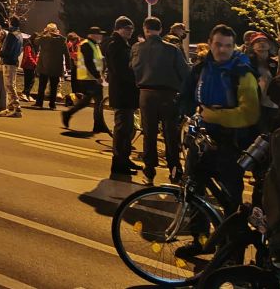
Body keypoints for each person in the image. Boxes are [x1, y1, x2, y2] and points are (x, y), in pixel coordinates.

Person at [176, 24, 260, 259]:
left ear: (234, 47)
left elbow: (249, 115)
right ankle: (202, 241)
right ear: (210, 44)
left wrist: (212, 115)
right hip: (201, 141)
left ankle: (232, 255)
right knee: (194, 191)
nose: (222, 50)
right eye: (218, 44)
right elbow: (186, 97)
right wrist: (181, 116)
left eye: (227, 46)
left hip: (230, 146)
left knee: (231, 202)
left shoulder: (242, 72)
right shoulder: (201, 69)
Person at [130, 17, 190, 185]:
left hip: (146, 94)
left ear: (144, 29)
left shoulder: (137, 48)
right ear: (161, 30)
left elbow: (133, 68)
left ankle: (149, 171)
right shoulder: (172, 49)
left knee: (149, 133)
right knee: (170, 133)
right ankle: (175, 169)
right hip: (168, 95)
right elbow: (185, 72)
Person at [106, 16, 140, 176]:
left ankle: (124, 158)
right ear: (118, 29)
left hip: (126, 92)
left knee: (127, 128)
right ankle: (119, 162)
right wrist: (135, 77)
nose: (130, 31)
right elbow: (120, 70)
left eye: (131, 29)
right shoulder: (115, 45)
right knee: (122, 128)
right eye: (127, 28)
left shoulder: (123, 45)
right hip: (122, 92)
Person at [62, 26, 109, 134]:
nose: (101, 36)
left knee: (88, 101)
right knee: (98, 101)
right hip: (88, 78)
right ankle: (98, 125)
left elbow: (99, 61)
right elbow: (89, 63)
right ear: (92, 35)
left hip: (92, 78)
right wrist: (98, 76)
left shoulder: (94, 45)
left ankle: (69, 114)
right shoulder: (86, 45)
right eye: (99, 34)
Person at [249, 32, 280, 131]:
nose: (261, 43)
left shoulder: (275, 62)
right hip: (256, 103)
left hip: (273, 102)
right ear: (253, 46)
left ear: (269, 44)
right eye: (258, 41)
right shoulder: (248, 63)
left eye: (264, 41)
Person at [35, 23, 70, 110]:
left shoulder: (44, 39)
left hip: (44, 65)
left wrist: (43, 32)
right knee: (54, 87)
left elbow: (36, 41)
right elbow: (66, 54)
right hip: (56, 66)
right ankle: (52, 104)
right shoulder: (62, 40)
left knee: (42, 85)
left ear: (47, 30)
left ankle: (39, 103)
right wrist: (68, 66)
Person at [0, 17, 24, 117]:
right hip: (13, 61)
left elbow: (7, 50)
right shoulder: (19, 34)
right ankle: (10, 108)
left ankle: (17, 108)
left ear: (11, 23)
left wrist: (0, 53)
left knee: (9, 86)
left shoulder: (12, 35)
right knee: (10, 85)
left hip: (9, 62)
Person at [20, 33, 38, 102]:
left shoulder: (34, 46)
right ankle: (24, 93)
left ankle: (27, 94)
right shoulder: (28, 45)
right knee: (29, 80)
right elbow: (28, 56)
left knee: (31, 80)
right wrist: (35, 63)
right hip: (28, 65)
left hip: (32, 65)